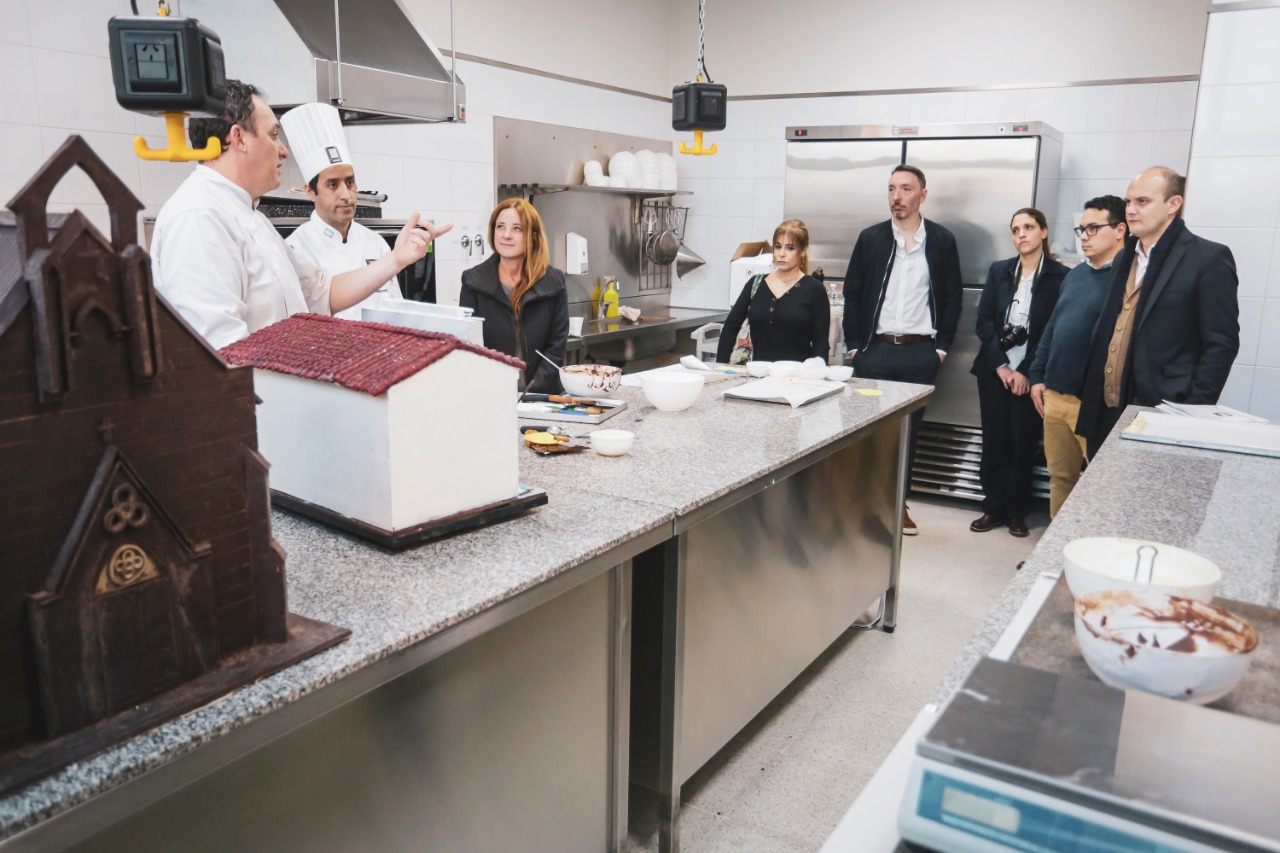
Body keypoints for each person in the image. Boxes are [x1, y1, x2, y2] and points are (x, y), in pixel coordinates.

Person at [150, 80, 450, 350]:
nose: (283, 151)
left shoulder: (250, 215)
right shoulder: (199, 217)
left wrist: (397, 259)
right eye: (274, 135)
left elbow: (321, 292)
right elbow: (220, 352)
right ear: (239, 138)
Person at [1076, 167, 1241, 458]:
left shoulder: (1207, 258)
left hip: (1162, 411)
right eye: (1128, 202)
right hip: (1104, 410)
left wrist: (1190, 414)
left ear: (1173, 205)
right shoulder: (1125, 255)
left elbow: (1222, 343)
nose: (1131, 210)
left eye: (1142, 202)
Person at [842, 164, 962, 535]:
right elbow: (853, 293)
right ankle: (859, 506)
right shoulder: (871, 238)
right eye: (892, 188)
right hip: (874, 351)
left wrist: (939, 349)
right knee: (865, 433)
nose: (897, 196)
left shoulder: (941, 240)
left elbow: (952, 297)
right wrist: (853, 348)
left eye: (906, 189)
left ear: (922, 195)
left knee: (908, 434)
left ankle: (898, 506)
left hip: (918, 354)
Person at [969, 208, 1068, 537]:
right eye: (1015, 229)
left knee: (1022, 443)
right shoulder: (999, 271)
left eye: (1028, 227)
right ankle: (993, 507)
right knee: (994, 440)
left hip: (1032, 376)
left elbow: (1053, 331)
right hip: (994, 372)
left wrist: (1025, 371)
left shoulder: (1059, 276)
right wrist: (1001, 366)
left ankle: (1016, 512)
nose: (1021, 234)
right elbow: (984, 324)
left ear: (1043, 231)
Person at [1028, 196, 1127, 517]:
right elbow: (1053, 328)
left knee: (1103, 485)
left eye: (1093, 228)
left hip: (1093, 402)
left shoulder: (1128, 281)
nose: (1084, 236)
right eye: (1081, 229)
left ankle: (1089, 562)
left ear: (1119, 230)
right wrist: (1037, 377)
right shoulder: (1076, 275)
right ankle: (1057, 559)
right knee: (1061, 478)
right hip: (1055, 396)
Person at [279, 102, 400, 320]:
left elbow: (397, 312)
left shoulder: (377, 244)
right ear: (310, 191)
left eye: (350, 182)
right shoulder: (296, 250)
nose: (346, 194)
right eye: (333, 184)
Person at [460, 198, 569, 394]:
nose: (506, 235)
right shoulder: (473, 282)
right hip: (491, 394)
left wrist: (535, 390)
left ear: (533, 236)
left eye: (517, 228)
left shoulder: (553, 282)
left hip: (543, 395)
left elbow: (557, 345)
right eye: (500, 227)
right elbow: (469, 345)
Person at [717, 219, 830, 364]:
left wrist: (815, 376)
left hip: (797, 379)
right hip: (756, 376)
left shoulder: (814, 289)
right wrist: (720, 369)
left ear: (803, 251)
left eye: (790, 248)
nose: (782, 254)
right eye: (778, 247)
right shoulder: (755, 284)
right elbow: (730, 329)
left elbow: (821, 345)